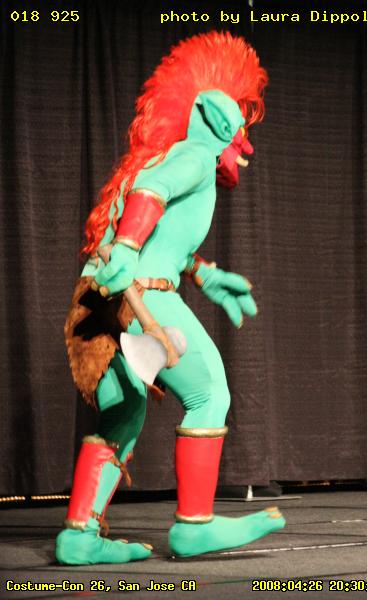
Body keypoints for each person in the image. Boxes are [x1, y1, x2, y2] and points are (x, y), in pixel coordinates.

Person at [55, 30, 285, 566]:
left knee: (124, 416)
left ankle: (79, 535)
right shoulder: (196, 155)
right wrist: (128, 247)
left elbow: (164, 235)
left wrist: (204, 274)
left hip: (97, 300)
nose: (245, 147)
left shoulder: (173, 158)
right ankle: (194, 525)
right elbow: (150, 194)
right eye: (241, 131)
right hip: (141, 298)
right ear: (218, 118)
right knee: (210, 394)